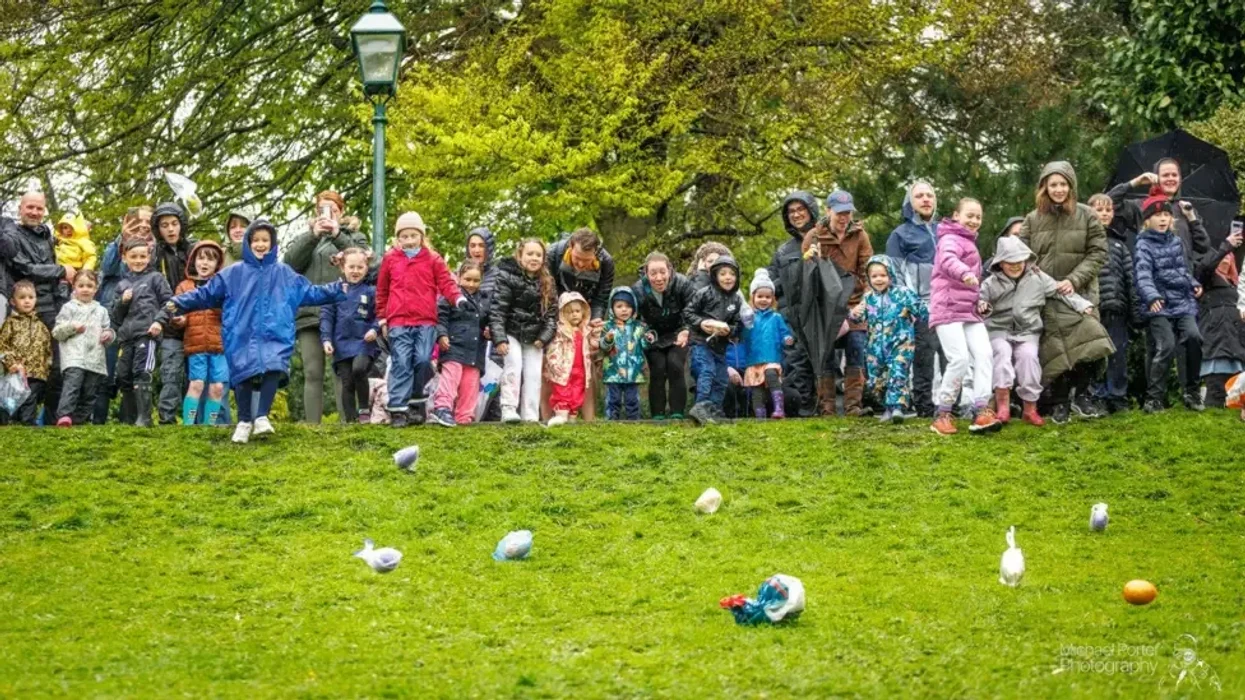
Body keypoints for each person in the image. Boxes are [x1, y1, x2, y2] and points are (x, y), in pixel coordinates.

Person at [167, 219, 346, 443]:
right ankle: (244, 420)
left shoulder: (284, 273)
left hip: (275, 333)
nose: (261, 244)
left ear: (272, 244)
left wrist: (338, 289)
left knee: (274, 367)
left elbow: (310, 292)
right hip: (241, 333)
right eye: (256, 240)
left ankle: (261, 416)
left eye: (265, 240)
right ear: (248, 243)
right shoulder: (233, 274)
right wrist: (180, 302)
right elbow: (206, 294)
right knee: (244, 375)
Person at [1108, 159, 1210, 408]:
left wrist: (1192, 218)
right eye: (1165, 175)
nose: (1170, 179)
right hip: (1154, 291)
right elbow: (1108, 202)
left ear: (1180, 178)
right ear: (1156, 177)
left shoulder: (1186, 208)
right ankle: (1155, 397)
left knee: (1190, 342)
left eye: (1175, 174)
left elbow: (1203, 246)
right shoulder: (1139, 205)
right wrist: (1135, 183)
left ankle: (1189, 393)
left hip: (1181, 288)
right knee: (1159, 346)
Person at [1019, 161, 1114, 424]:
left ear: (1071, 186)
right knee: (1055, 348)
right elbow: (1021, 255)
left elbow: (1098, 253)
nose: (1059, 189)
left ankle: (1082, 396)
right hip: (1047, 296)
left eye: (1063, 184)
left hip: (1081, 293)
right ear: (1044, 187)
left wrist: (1074, 279)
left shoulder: (1087, 215)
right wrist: (1041, 280)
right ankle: (1060, 401)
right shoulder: (1032, 219)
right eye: (1053, 184)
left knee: (1087, 344)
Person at [979, 237, 1094, 427]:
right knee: (1002, 356)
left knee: (1029, 359)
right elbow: (980, 301)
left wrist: (1082, 304)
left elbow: (1060, 291)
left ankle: (1030, 408)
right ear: (1000, 263)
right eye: (1010, 262)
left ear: (1026, 259)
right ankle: (1003, 407)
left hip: (1028, 331)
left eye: (1019, 261)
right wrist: (982, 306)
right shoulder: (991, 283)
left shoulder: (1038, 278)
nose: (1015, 266)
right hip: (999, 330)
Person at [283, 190, 367, 423]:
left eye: (333, 210)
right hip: (309, 313)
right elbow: (290, 265)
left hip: (344, 314)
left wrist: (338, 235)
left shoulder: (354, 236)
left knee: (343, 371)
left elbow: (362, 259)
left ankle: (347, 423)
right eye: (322, 210)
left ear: (341, 212)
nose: (327, 215)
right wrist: (312, 236)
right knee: (312, 372)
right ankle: (313, 427)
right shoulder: (306, 237)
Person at [375, 212, 461, 428]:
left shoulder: (433, 259)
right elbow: (382, 290)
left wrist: (457, 298)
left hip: (425, 320)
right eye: (404, 236)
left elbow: (446, 282)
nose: (409, 240)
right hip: (398, 320)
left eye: (413, 235)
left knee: (422, 360)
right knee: (401, 362)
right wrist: (383, 318)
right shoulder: (391, 259)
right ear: (398, 238)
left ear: (421, 236)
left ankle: (416, 403)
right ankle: (398, 410)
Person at [929, 199, 999, 435]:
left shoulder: (969, 242)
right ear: (956, 216)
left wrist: (978, 300)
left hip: (968, 310)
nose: (974, 221)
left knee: (985, 354)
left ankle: (981, 409)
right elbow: (948, 261)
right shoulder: (949, 239)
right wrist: (965, 273)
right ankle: (942, 413)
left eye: (978, 217)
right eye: (969, 215)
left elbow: (971, 285)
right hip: (947, 307)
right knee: (958, 359)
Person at [802, 190, 873, 416]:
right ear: (828, 211)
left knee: (857, 348)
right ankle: (827, 408)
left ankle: (853, 407)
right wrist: (811, 258)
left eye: (848, 213)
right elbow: (806, 277)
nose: (844, 218)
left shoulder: (860, 236)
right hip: (826, 307)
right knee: (827, 355)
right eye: (840, 213)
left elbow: (868, 270)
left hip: (854, 303)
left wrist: (866, 301)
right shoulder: (813, 236)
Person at [1134, 192, 1204, 414]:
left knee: (1194, 337)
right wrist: (1152, 296)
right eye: (1158, 216)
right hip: (1159, 303)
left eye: (1167, 214)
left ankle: (1191, 392)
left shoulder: (1175, 242)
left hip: (1182, 301)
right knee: (1166, 346)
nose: (1163, 219)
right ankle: (1154, 398)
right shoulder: (1143, 245)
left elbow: (1180, 270)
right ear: (1148, 220)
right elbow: (1143, 274)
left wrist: (1192, 283)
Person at [3, 192, 71, 418]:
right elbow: (23, 267)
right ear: (20, 209)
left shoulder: (46, 237)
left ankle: (50, 417)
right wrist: (60, 271)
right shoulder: (11, 234)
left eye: (39, 209)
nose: (34, 212)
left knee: (58, 363)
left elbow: (53, 271)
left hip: (51, 305)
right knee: (18, 363)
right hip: (23, 307)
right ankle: (16, 414)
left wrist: (62, 295)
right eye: (30, 207)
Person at [885, 181, 941, 416]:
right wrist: (910, 305)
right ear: (910, 203)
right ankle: (924, 405)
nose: (926, 199)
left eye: (930, 195)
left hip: (947, 304)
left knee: (951, 355)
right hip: (918, 306)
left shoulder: (945, 230)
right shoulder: (900, 234)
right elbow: (894, 274)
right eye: (919, 196)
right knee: (924, 356)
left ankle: (952, 404)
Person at [848, 255, 925, 424]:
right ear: (869, 278)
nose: (879, 279)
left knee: (898, 373)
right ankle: (887, 408)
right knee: (876, 380)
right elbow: (858, 318)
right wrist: (854, 314)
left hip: (901, 343)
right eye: (874, 276)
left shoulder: (903, 293)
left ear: (890, 275)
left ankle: (897, 407)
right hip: (875, 347)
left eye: (883, 275)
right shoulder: (868, 298)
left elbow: (921, 310)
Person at [94, 206, 153, 424]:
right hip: (114, 314)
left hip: (139, 319)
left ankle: (130, 420)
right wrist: (123, 238)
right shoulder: (118, 246)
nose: (144, 226)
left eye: (148, 222)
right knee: (105, 371)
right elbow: (107, 268)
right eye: (139, 222)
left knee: (135, 371)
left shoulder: (153, 252)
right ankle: (98, 421)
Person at [491, 239, 557, 424]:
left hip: (535, 336)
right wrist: (499, 339)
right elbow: (498, 310)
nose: (534, 258)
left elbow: (552, 315)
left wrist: (543, 338)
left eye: (538, 255)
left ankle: (530, 415)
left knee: (534, 374)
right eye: (530, 254)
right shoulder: (506, 276)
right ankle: (509, 409)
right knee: (513, 365)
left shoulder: (548, 282)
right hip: (511, 332)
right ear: (520, 256)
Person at [110, 238, 173, 427]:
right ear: (125, 258)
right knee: (123, 375)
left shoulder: (156, 278)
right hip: (126, 337)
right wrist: (122, 301)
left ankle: (144, 418)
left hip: (147, 333)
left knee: (142, 371)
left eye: (142, 256)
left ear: (149, 257)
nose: (138, 260)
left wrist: (159, 321)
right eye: (134, 256)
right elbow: (115, 316)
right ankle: (129, 418)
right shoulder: (122, 285)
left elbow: (170, 303)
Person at [769, 191, 821, 416]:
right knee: (796, 361)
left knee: (824, 360)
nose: (797, 215)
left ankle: (828, 407)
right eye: (791, 211)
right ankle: (803, 408)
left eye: (801, 209)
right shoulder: (783, 251)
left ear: (811, 211)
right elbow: (770, 284)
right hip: (791, 313)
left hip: (820, 311)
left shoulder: (825, 240)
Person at [1087, 194, 1136, 414]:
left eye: (1108, 210)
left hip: (1117, 306)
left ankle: (1118, 396)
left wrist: (1134, 308)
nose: (1104, 214)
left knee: (1118, 354)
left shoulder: (1119, 243)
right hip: (1093, 307)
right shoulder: (1084, 242)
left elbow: (1130, 278)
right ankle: (1097, 395)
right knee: (1096, 353)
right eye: (1099, 209)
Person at [321, 248, 380, 425]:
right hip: (341, 343)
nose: (355, 271)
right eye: (351, 267)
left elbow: (379, 313)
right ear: (342, 268)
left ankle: (363, 410)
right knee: (347, 381)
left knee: (359, 370)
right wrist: (326, 339)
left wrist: (375, 329)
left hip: (363, 341)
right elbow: (326, 316)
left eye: (360, 267)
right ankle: (350, 419)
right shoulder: (334, 291)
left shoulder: (370, 291)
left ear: (366, 268)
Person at [633, 252, 693, 420]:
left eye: (662, 272)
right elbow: (634, 317)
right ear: (646, 272)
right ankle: (657, 415)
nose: (658, 278)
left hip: (678, 332)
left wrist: (686, 329)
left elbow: (694, 310)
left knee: (675, 364)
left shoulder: (683, 284)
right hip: (653, 334)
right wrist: (644, 332)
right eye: (653, 273)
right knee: (658, 367)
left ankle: (677, 413)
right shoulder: (638, 290)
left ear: (670, 270)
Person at [684, 255, 743, 425]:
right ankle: (701, 405)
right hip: (700, 343)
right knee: (707, 371)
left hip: (720, 347)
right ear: (715, 276)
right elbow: (688, 313)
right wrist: (702, 323)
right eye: (723, 274)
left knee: (721, 379)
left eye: (731, 274)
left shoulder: (736, 300)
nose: (728, 277)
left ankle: (714, 410)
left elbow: (736, 325)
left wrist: (728, 331)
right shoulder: (704, 293)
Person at [175, 241, 229, 426]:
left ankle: (209, 427)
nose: (205, 263)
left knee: (217, 387)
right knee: (197, 384)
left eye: (210, 260)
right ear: (194, 261)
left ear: (217, 264)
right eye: (201, 258)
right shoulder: (185, 286)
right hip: (196, 345)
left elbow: (228, 313)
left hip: (219, 345)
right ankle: (188, 426)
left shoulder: (222, 286)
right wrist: (180, 320)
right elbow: (179, 312)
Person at [430, 261, 489, 427]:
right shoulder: (450, 296)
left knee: (470, 385)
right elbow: (440, 319)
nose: (471, 284)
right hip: (453, 346)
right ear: (459, 278)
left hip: (475, 350)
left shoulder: (485, 300)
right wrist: (441, 335)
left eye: (476, 280)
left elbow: (489, 320)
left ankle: (464, 417)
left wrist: (489, 331)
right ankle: (442, 408)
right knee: (450, 378)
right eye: (467, 279)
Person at [51, 270, 113, 426]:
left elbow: (108, 330)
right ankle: (64, 416)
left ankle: (80, 421)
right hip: (74, 358)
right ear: (74, 287)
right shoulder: (68, 308)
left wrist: (108, 335)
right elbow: (57, 332)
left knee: (90, 393)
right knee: (72, 388)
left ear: (96, 288)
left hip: (95, 360)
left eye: (90, 286)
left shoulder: (102, 311)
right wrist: (72, 327)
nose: (85, 289)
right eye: (81, 285)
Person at [151, 202, 194, 424]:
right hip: (168, 325)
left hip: (195, 323)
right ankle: (167, 420)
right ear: (157, 229)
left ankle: (193, 420)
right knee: (171, 374)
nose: (170, 229)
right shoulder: (153, 255)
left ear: (182, 225)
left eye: (174, 224)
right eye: (164, 225)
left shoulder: (193, 250)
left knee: (195, 376)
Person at [1196, 223, 1245, 408]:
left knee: (1235, 392)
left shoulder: (1236, 286)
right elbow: (1205, 268)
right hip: (1217, 342)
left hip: (1237, 343)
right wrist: (1226, 247)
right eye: (1222, 259)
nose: (1226, 261)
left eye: (1229, 258)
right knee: (1216, 390)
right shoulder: (1206, 281)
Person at [741, 268, 793, 419]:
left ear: (773, 299)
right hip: (754, 359)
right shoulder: (749, 317)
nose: (764, 300)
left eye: (768, 297)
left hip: (771, 357)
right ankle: (760, 415)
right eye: (760, 296)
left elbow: (784, 332)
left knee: (771, 375)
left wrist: (787, 339)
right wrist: (745, 325)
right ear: (753, 297)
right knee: (757, 390)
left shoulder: (776, 317)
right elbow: (743, 336)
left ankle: (779, 408)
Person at [0, 281, 53, 425]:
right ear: (13, 301)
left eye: (31, 297)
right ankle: (12, 421)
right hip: (17, 371)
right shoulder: (10, 323)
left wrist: (46, 368)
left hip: (37, 373)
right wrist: (11, 363)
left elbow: (47, 349)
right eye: (22, 297)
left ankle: (28, 422)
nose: (27, 301)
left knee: (31, 398)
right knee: (13, 398)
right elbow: (2, 345)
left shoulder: (41, 326)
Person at [545, 292, 599, 426]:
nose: (574, 314)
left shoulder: (585, 330)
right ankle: (561, 415)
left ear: (583, 312)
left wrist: (599, 338)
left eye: (577, 311)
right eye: (570, 312)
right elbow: (554, 349)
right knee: (562, 392)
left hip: (581, 370)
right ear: (563, 314)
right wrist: (554, 364)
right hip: (564, 370)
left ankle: (572, 417)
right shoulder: (561, 331)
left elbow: (593, 345)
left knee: (577, 393)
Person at [600, 286, 654, 420]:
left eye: (628, 306)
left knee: (632, 399)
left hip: (634, 371)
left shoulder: (640, 327)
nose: (624, 309)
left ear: (634, 308)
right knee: (614, 399)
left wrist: (649, 338)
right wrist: (607, 340)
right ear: (612, 308)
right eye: (619, 306)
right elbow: (603, 347)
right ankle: (612, 421)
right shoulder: (607, 327)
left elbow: (645, 345)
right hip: (613, 371)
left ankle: (634, 421)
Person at [464, 227, 499, 299]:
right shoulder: (459, 275)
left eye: (481, 246)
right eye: (473, 246)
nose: (477, 250)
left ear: (489, 248)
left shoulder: (500, 276)